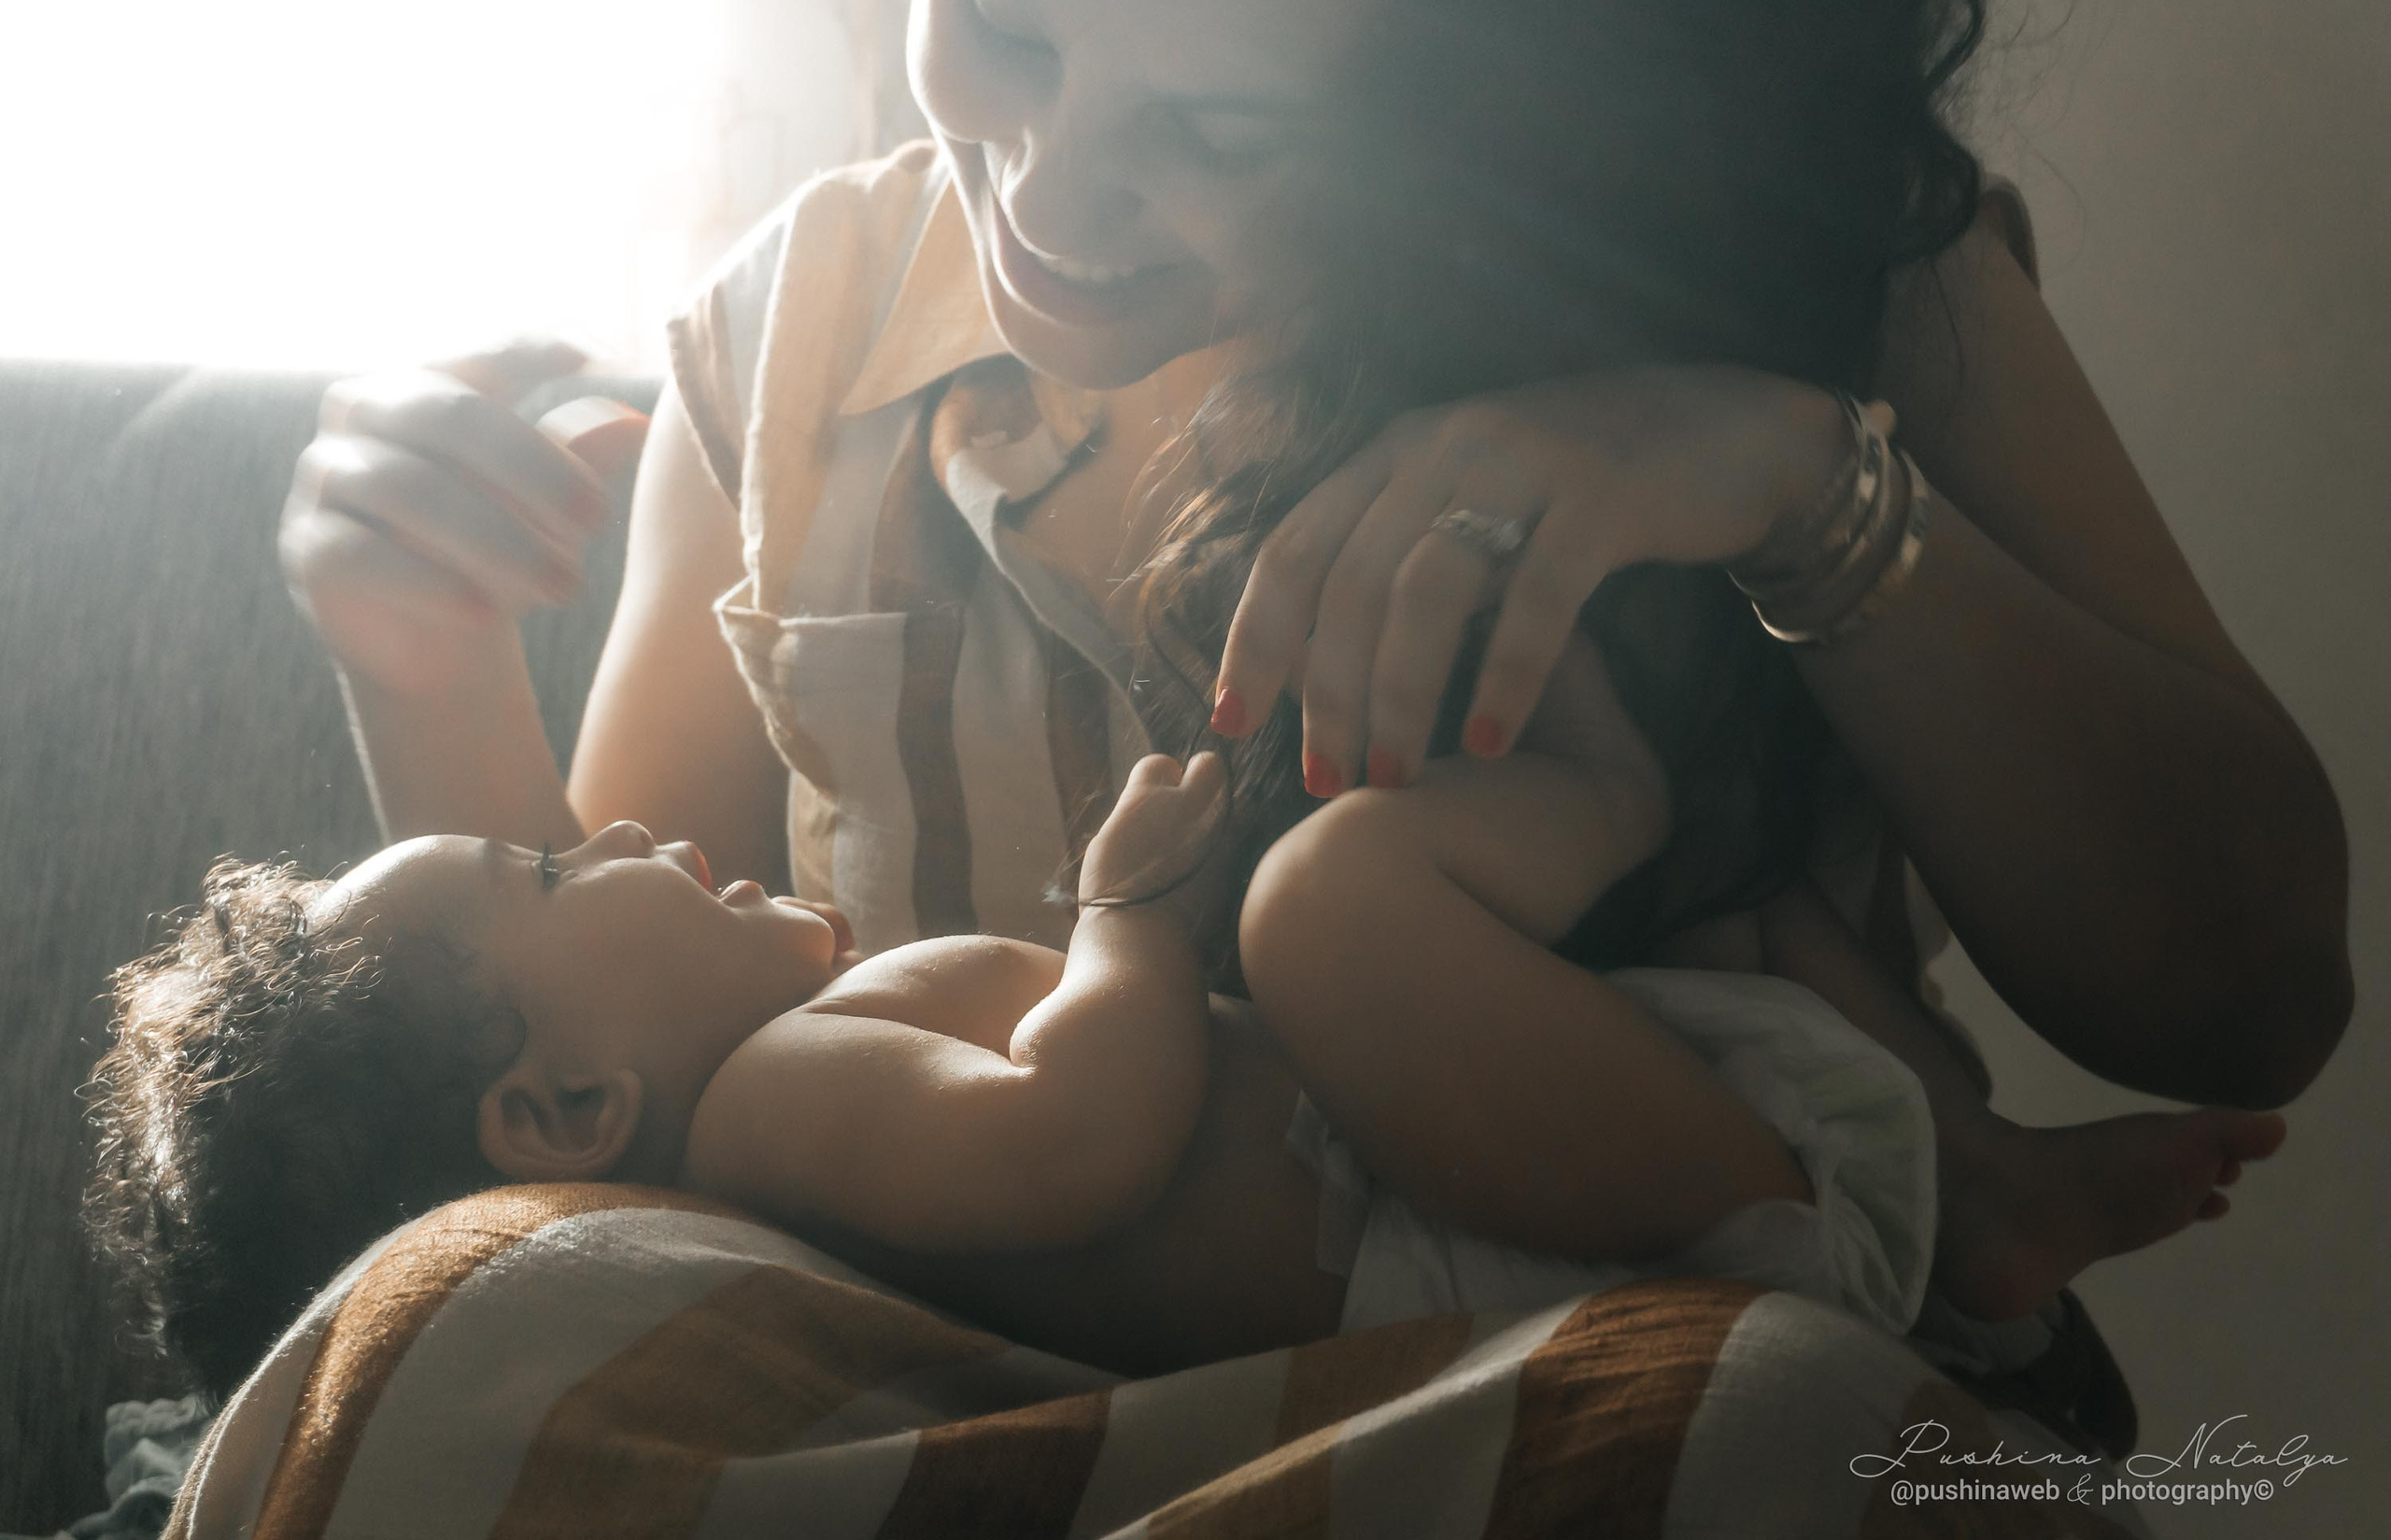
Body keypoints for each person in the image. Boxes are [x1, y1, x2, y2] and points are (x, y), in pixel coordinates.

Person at [272, 0, 2345, 1405]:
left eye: (1223, 126)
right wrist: (423, 670)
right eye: (999, 5)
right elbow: (612, 1144)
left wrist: (1788, 479)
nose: (1051, 194)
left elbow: (2245, 992)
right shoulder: (795, 338)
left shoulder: (1813, 265)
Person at [84, 682, 2283, 1395]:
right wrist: (1127, 915)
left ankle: (1973, 1196)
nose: (632, 822)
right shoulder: (771, 1110)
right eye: (561, 878)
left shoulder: (802, 1080)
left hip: (1509, 1151)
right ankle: (1621, 765)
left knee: (1763, 927)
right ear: (563, 1106)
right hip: (1454, 1236)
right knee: (1328, 902)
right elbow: (1073, 1143)